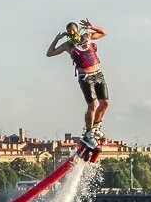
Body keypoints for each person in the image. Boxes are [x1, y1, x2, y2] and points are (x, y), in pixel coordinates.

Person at [46, 18, 110, 147]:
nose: (72, 33)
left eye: (73, 30)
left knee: (105, 103)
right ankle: (88, 133)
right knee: (92, 105)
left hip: (98, 74)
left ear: (78, 30)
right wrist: (57, 39)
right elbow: (50, 53)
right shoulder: (68, 45)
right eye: (69, 32)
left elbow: (104, 33)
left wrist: (92, 26)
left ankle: (96, 127)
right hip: (85, 77)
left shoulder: (87, 36)